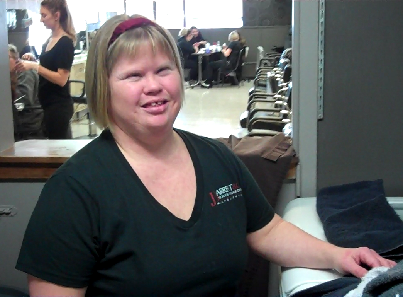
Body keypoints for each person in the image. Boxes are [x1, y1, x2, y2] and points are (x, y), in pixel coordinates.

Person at [16, 14, 395, 296]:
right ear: (104, 87)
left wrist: (337, 256)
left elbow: (267, 229)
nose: (154, 86)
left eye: (164, 70)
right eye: (133, 76)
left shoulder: (216, 158)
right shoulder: (74, 193)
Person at [15, 0, 76, 139]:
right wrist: (34, 60)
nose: (41, 20)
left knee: (58, 152)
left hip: (58, 107)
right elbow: (49, 68)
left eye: (44, 15)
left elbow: (61, 79)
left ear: (56, 15)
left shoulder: (65, 42)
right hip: (47, 104)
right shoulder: (49, 40)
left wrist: (35, 67)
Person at [8, 44, 44, 141]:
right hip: (19, 121)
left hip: (29, 123)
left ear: (16, 58)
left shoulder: (25, 72)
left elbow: (23, 100)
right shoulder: (10, 74)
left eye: (7, 57)